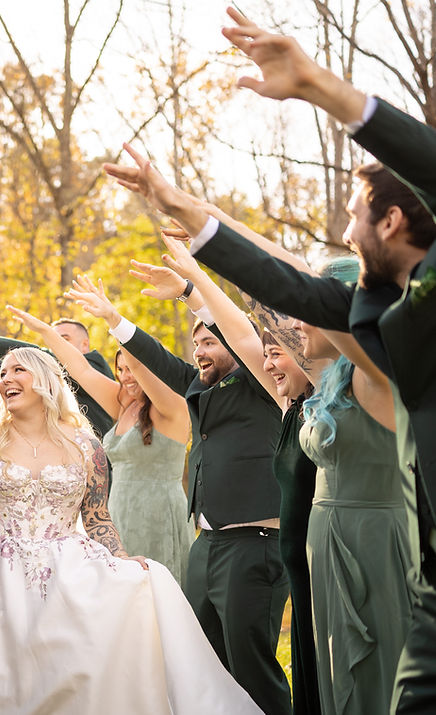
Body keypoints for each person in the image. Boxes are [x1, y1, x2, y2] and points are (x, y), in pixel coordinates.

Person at [103, 10, 436, 710]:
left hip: (391, 550)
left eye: (352, 213)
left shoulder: (381, 353)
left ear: (394, 223)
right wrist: (192, 214)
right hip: (325, 548)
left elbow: (299, 289)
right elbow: (292, 279)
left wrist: (319, 85)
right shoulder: (355, 352)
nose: (343, 225)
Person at [0, 346, 260, 714]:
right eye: (2, 374)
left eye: (18, 371)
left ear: (45, 381)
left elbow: (96, 518)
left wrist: (122, 559)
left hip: (65, 568)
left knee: (74, 663)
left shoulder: (86, 445)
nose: (6, 380)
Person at [66, 275, 291, 714]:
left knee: (252, 668)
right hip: (206, 546)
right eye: (196, 343)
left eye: (210, 341)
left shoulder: (263, 384)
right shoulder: (198, 389)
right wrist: (114, 319)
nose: (200, 351)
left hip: (254, 546)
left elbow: (240, 335)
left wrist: (193, 294)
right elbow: (160, 361)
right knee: (204, 662)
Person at [1, 305, 193, 584]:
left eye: (132, 369)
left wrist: (114, 321)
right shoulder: (125, 405)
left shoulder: (173, 410)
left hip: (159, 515)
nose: (127, 376)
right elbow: (80, 370)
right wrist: (44, 332)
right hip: (117, 512)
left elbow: (141, 365)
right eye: (121, 370)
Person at [0, 314, 116, 438]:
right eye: (52, 340)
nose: (56, 346)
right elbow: (18, 376)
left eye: (62, 340)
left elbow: (37, 360)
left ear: (85, 344)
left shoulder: (95, 363)